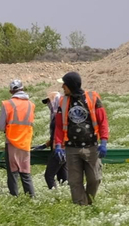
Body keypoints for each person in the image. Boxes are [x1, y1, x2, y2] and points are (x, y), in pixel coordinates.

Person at [53, 71, 109, 206]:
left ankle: (89, 202)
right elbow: (59, 126)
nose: (62, 87)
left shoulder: (93, 98)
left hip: (91, 147)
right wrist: (58, 145)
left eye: (64, 84)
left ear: (71, 85)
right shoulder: (63, 101)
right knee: (74, 181)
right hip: (72, 148)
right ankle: (81, 207)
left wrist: (104, 141)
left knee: (95, 178)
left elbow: (103, 121)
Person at [0, 80, 36, 198]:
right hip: (25, 141)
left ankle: (14, 197)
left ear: (11, 91)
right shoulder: (31, 104)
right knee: (25, 172)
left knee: (13, 173)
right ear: (23, 89)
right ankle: (31, 197)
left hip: (11, 141)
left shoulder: (7, 104)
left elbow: (0, 126)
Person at [39, 91, 67, 191]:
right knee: (62, 177)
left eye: (49, 102)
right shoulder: (57, 115)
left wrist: (57, 147)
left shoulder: (60, 115)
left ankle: (56, 195)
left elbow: (61, 133)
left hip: (60, 149)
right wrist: (46, 144)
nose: (48, 105)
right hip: (62, 148)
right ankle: (66, 196)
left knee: (49, 176)